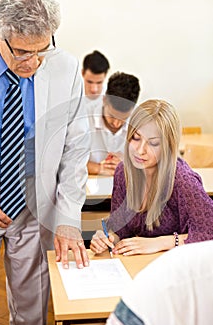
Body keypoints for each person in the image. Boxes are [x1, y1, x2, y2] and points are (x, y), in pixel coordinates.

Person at [0, 0, 90, 325]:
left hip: (34, 208)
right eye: (24, 52)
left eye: (43, 49)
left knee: (32, 317)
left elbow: (76, 149)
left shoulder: (67, 67)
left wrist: (69, 220)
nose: (35, 62)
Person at [90, 99, 213, 255]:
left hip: (180, 265)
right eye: (135, 138)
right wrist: (107, 238)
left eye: (153, 143)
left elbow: (209, 232)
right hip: (142, 264)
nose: (140, 150)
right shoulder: (123, 172)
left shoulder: (182, 181)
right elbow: (122, 231)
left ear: (168, 146)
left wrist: (160, 242)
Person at [95, 240, 213, 325]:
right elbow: (121, 229)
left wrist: (165, 241)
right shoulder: (159, 288)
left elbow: (201, 233)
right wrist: (110, 237)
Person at [87, 72, 140, 176]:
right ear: (104, 99)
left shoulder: (141, 123)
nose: (116, 124)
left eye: (123, 118)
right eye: (112, 116)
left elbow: (155, 166)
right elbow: (68, 161)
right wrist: (98, 168)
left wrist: (128, 168)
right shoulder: (84, 117)